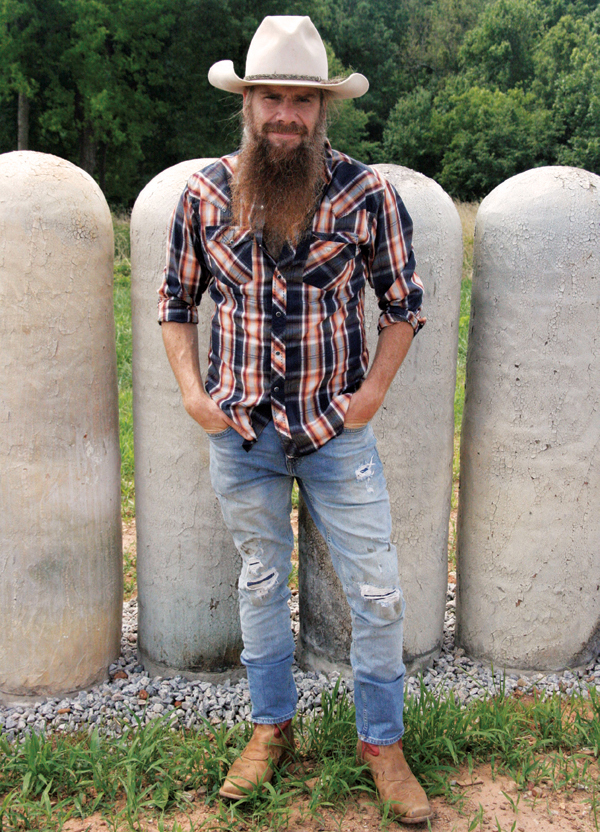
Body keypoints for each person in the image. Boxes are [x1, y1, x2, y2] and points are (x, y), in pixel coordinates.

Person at [158, 15, 431, 824]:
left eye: (302, 100)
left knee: (377, 592)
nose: (286, 114)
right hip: (240, 433)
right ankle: (269, 729)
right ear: (248, 103)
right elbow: (175, 304)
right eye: (271, 97)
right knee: (259, 582)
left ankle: (381, 742)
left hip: (335, 432)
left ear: (322, 109)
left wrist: (372, 394)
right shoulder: (203, 193)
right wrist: (192, 394)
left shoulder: (365, 192)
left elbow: (404, 303)